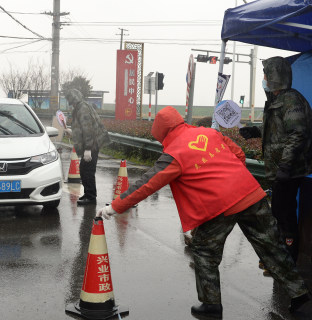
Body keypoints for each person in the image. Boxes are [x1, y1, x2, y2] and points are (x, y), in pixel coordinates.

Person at [96, 106, 311, 319]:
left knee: (204, 251)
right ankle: (301, 298)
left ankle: (211, 306)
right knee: (273, 247)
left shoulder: (174, 153)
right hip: (251, 194)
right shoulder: (210, 133)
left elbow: (147, 184)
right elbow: (239, 154)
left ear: (162, 132)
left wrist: (114, 207)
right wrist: (231, 179)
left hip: (219, 206)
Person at [239, 56, 312, 264]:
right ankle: (282, 257)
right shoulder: (278, 99)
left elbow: (298, 133)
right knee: (280, 212)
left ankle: (288, 260)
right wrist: (255, 131)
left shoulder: (291, 100)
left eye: (265, 74)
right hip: (282, 168)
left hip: (289, 170)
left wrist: (286, 165)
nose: (264, 79)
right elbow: (279, 130)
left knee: (284, 213)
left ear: (275, 77)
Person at [64, 88, 110, 205]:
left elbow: (87, 129)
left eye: (72, 102)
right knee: (85, 170)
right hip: (91, 144)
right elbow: (81, 129)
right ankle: (89, 194)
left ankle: (90, 197)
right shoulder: (81, 107)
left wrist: (88, 149)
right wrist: (72, 132)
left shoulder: (82, 109)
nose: (72, 105)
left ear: (75, 100)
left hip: (92, 145)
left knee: (87, 171)